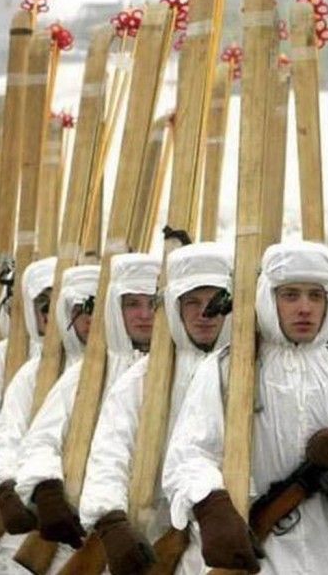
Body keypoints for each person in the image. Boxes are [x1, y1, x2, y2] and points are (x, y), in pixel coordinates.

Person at [162, 241, 328, 574]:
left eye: (315, 296)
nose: (305, 308)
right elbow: (188, 458)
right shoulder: (227, 370)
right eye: (290, 295)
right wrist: (209, 503)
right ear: (268, 298)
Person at [78, 242, 233, 575]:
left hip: (231, 536)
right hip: (155, 535)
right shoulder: (141, 379)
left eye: (214, 303)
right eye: (192, 303)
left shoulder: (252, 372)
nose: (204, 314)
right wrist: (110, 519)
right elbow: (110, 455)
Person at [10, 253, 159, 570]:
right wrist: (46, 490)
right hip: (88, 526)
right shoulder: (88, 371)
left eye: (152, 303)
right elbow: (39, 440)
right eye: (132, 304)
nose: (145, 315)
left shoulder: (187, 372)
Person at [0, 265, 99, 573]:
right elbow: (8, 437)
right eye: (43, 304)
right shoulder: (28, 370)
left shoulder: (123, 372)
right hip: (32, 509)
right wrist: (8, 492)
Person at [0, 257, 56, 472]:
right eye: (42, 302)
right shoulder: (0, 356)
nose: (49, 311)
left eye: (56, 301)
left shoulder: (80, 361)